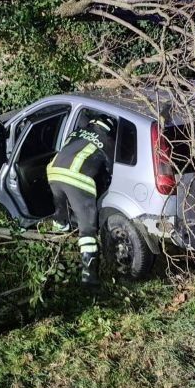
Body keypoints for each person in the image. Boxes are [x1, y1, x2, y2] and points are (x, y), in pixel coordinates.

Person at [46, 114, 117, 286]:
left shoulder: (77, 132)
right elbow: (110, 169)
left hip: (53, 172)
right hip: (78, 179)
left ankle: (59, 240)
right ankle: (89, 276)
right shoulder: (107, 141)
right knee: (87, 230)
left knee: (60, 213)